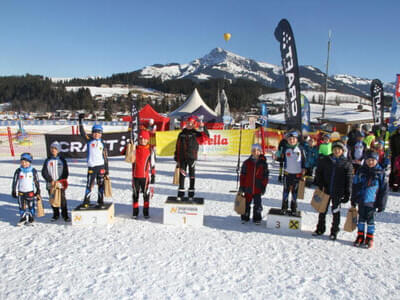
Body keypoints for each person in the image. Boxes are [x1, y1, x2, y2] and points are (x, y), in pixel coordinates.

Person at [313, 140, 353, 240]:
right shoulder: (326, 160)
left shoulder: (346, 163)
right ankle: (320, 228)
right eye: (335, 149)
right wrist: (320, 184)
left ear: (343, 151)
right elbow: (319, 173)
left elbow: (349, 179)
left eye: (339, 149)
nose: (337, 151)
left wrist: (347, 193)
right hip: (325, 190)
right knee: (322, 210)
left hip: (338, 192)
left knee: (336, 211)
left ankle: (334, 230)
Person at [351, 151, 388, 248]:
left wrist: (382, 204)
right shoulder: (361, 171)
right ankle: (360, 235)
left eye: (373, 160)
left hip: (372, 202)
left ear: (376, 160)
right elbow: (355, 185)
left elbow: (384, 190)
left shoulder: (380, 172)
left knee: (370, 220)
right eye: (368, 160)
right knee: (361, 219)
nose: (370, 162)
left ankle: (369, 237)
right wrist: (353, 199)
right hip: (361, 200)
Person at [174, 116, 209, 200]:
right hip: (182, 157)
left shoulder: (196, 133)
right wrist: (176, 157)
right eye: (188, 123)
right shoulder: (181, 133)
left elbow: (206, 138)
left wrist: (203, 127)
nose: (189, 124)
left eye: (191, 123)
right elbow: (177, 145)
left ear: (194, 124)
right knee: (182, 175)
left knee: (192, 174)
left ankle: (191, 191)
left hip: (192, 157)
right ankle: (181, 191)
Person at [79, 114, 109, 208]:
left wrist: (107, 170)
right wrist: (80, 121)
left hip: (101, 166)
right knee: (89, 184)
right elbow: (82, 133)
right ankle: (86, 201)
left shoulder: (103, 143)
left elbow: (105, 157)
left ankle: (100, 201)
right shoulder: (89, 140)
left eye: (98, 132)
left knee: (100, 184)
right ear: (92, 133)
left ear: (101, 133)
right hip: (91, 166)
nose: (96, 134)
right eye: (95, 132)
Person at [239, 144, 269, 224]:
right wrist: (242, 186)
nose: (255, 152)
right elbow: (243, 175)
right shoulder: (246, 163)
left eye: (258, 150)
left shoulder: (263, 163)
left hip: (258, 187)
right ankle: (245, 217)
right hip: (248, 187)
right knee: (246, 203)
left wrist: (263, 186)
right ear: (251, 152)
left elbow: (265, 176)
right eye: (253, 150)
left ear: (260, 152)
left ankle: (257, 218)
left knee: (258, 204)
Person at [277, 130, 305, 215]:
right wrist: (276, 158)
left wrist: (304, 170)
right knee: (286, 191)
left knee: (295, 192)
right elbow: (281, 159)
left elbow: (304, 160)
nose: (291, 140)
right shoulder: (285, 148)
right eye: (290, 139)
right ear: (287, 139)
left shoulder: (300, 148)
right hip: (287, 174)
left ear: (296, 139)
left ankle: (294, 209)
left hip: (297, 174)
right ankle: (284, 208)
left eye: (293, 139)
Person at [42, 141, 70, 222]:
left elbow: (66, 172)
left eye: (55, 149)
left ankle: (65, 215)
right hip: (50, 184)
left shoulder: (62, 160)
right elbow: (44, 172)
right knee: (52, 199)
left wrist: (59, 181)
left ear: (58, 150)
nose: (53, 150)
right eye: (52, 148)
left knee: (62, 199)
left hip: (60, 184)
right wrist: (50, 180)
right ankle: (55, 214)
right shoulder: (48, 160)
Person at [11, 153, 41, 226]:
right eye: (22, 162)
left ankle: (31, 218)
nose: (24, 164)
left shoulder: (33, 171)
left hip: (30, 192)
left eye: (26, 162)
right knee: (21, 205)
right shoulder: (18, 171)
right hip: (21, 192)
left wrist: (38, 190)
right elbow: (15, 181)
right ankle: (23, 217)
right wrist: (14, 190)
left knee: (31, 205)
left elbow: (36, 181)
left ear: (30, 162)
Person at [132, 130, 156, 219]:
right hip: (135, 176)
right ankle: (135, 212)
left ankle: (146, 212)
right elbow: (126, 155)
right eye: (141, 139)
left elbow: (153, 164)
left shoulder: (150, 150)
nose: (143, 141)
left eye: (145, 139)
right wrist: (130, 146)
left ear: (148, 140)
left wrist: (153, 176)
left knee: (146, 195)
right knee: (135, 195)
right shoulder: (135, 148)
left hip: (145, 177)